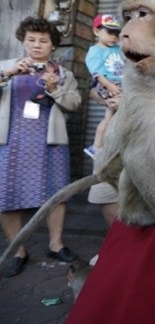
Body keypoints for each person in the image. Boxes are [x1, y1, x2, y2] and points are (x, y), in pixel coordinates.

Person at [0, 16, 82, 277]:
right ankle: (17, 249)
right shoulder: (6, 66)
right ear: (23, 41)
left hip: (50, 142)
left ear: (52, 45)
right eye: (31, 40)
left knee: (55, 194)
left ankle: (56, 244)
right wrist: (8, 74)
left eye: (43, 41)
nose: (37, 45)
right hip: (11, 141)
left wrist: (55, 88)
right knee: (7, 195)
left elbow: (74, 104)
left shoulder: (63, 73)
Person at [84, 14, 125, 158]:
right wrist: (109, 86)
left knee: (114, 117)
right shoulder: (95, 51)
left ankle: (108, 147)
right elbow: (97, 72)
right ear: (96, 31)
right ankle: (96, 146)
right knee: (109, 117)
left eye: (116, 34)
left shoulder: (116, 48)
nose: (113, 37)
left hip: (119, 84)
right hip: (108, 84)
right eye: (109, 33)